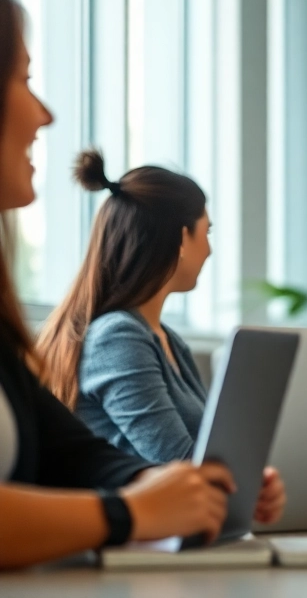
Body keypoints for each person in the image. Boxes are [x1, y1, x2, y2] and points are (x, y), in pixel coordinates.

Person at [0, 0, 283, 569]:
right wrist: (132, 511)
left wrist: (204, 490)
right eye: (23, 78)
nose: (46, 115)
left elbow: (71, 455)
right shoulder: (118, 335)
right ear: (179, 236)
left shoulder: (160, 339)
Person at [37, 152, 215, 464]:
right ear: (182, 238)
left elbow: (207, 452)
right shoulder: (118, 337)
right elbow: (177, 463)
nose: (210, 250)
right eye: (207, 232)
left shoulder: (169, 340)